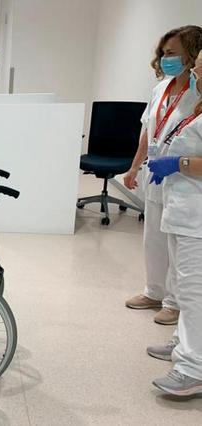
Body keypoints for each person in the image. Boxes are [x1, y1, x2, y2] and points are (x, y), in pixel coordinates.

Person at [123, 26, 202, 326]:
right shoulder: (160, 87)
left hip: (186, 177)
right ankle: (154, 290)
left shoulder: (198, 92)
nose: (165, 59)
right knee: (152, 237)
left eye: (172, 54)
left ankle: (174, 301)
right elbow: (148, 129)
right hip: (156, 170)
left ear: (192, 55)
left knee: (177, 243)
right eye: (163, 53)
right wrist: (134, 166)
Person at [146, 50, 202, 396]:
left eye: (197, 68)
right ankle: (182, 344)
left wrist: (176, 163)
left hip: (197, 217)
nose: (193, 73)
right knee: (183, 286)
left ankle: (193, 368)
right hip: (182, 210)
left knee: (195, 292)